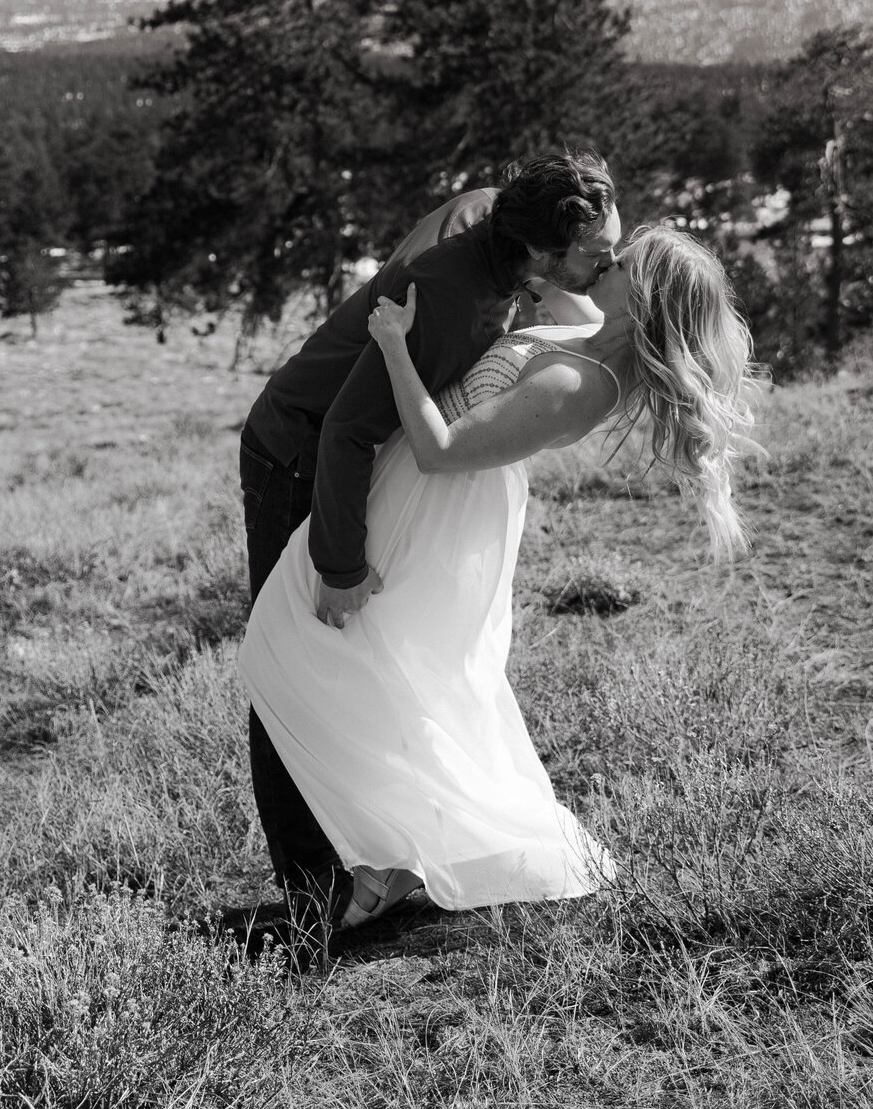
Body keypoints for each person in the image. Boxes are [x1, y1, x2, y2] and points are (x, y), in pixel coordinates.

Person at [238, 223, 756, 930]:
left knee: (308, 648)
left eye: (623, 262)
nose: (608, 259)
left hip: (436, 503)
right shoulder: (594, 330)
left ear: (642, 297)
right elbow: (561, 310)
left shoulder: (578, 382)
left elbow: (440, 449)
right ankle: (386, 857)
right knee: (371, 665)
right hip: (420, 495)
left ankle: (408, 852)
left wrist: (393, 345)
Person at [238, 151, 622, 930]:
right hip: (303, 451)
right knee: (294, 656)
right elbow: (347, 427)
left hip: (366, 457)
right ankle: (315, 895)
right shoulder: (448, 299)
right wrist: (338, 563)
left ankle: (385, 859)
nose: (612, 261)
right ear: (543, 251)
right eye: (598, 253)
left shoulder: (495, 221)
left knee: (375, 657)